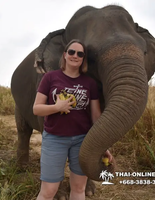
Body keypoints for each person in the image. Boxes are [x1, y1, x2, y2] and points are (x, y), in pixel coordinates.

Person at [33, 39, 113, 200]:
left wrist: (102, 144)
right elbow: (37, 109)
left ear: (83, 59)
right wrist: (57, 107)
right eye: (71, 52)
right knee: (49, 190)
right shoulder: (50, 77)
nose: (75, 56)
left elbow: (96, 116)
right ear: (64, 55)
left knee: (78, 188)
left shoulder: (89, 83)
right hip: (54, 139)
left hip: (82, 141)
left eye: (80, 54)